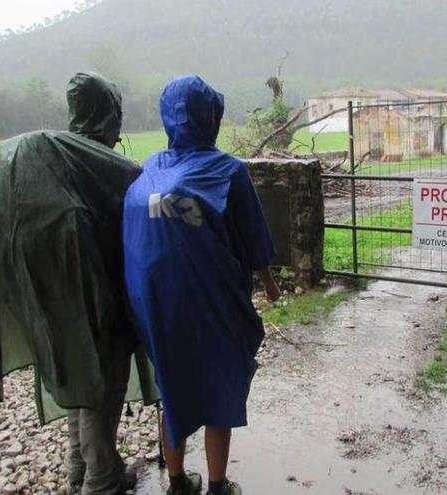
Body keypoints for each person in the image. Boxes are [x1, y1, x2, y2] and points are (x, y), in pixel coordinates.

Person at [0, 72, 159, 495]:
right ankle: (100, 480)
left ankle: (79, 465)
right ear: (107, 113)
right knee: (102, 377)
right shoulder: (105, 166)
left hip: (40, 294)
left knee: (76, 370)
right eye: (116, 112)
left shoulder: (49, 155)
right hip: (90, 297)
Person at [122, 75, 281, 495]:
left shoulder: (152, 168)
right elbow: (253, 237)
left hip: (154, 301)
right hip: (212, 300)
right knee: (220, 381)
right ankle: (216, 485)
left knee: (172, 381)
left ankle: (176, 482)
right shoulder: (228, 170)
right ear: (211, 117)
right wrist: (269, 284)